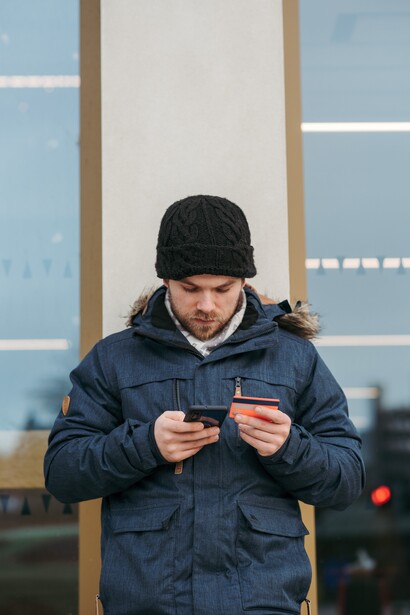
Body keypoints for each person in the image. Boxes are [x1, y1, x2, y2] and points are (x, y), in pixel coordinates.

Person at [44, 195, 365, 615]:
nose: (207, 305)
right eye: (190, 288)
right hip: (147, 603)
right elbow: (63, 472)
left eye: (222, 288)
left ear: (245, 283)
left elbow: (348, 479)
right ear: (165, 282)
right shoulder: (113, 358)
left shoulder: (295, 358)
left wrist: (290, 448)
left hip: (261, 603)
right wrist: (145, 446)